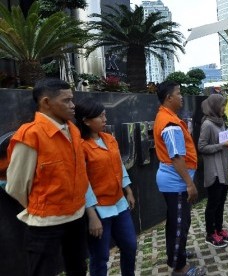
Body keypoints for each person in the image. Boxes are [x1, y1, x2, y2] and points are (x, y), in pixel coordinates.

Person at [6, 78, 88, 276]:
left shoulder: (73, 130)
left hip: (76, 215)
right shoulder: (30, 135)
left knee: (78, 268)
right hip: (45, 224)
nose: (72, 105)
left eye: (72, 100)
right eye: (66, 101)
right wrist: (43, 204)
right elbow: (16, 185)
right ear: (46, 102)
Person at [75, 98, 137, 276]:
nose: (104, 119)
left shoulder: (109, 139)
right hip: (99, 209)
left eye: (105, 115)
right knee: (100, 256)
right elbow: (82, 181)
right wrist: (91, 214)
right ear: (86, 121)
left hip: (119, 202)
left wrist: (128, 189)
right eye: (100, 116)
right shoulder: (81, 146)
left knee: (130, 245)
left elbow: (119, 165)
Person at [153, 80, 206, 276]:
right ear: (169, 98)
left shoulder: (167, 116)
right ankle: (179, 268)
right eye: (179, 93)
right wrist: (190, 184)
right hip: (176, 182)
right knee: (179, 225)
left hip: (176, 181)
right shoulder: (170, 123)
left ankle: (178, 254)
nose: (181, 97)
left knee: (178, 222)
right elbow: (176, 157)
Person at [197, 94, 228, 248]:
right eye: (222, 105)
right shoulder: (207, 124)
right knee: (213, 204)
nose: (224, 108)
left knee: (221, 202)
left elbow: (222, 141)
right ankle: (210, 233)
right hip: (214, 171)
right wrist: (222, 146)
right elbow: (201, 147)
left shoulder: (220, 122)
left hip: (224, 167)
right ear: (214, 106)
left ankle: (219, 230)